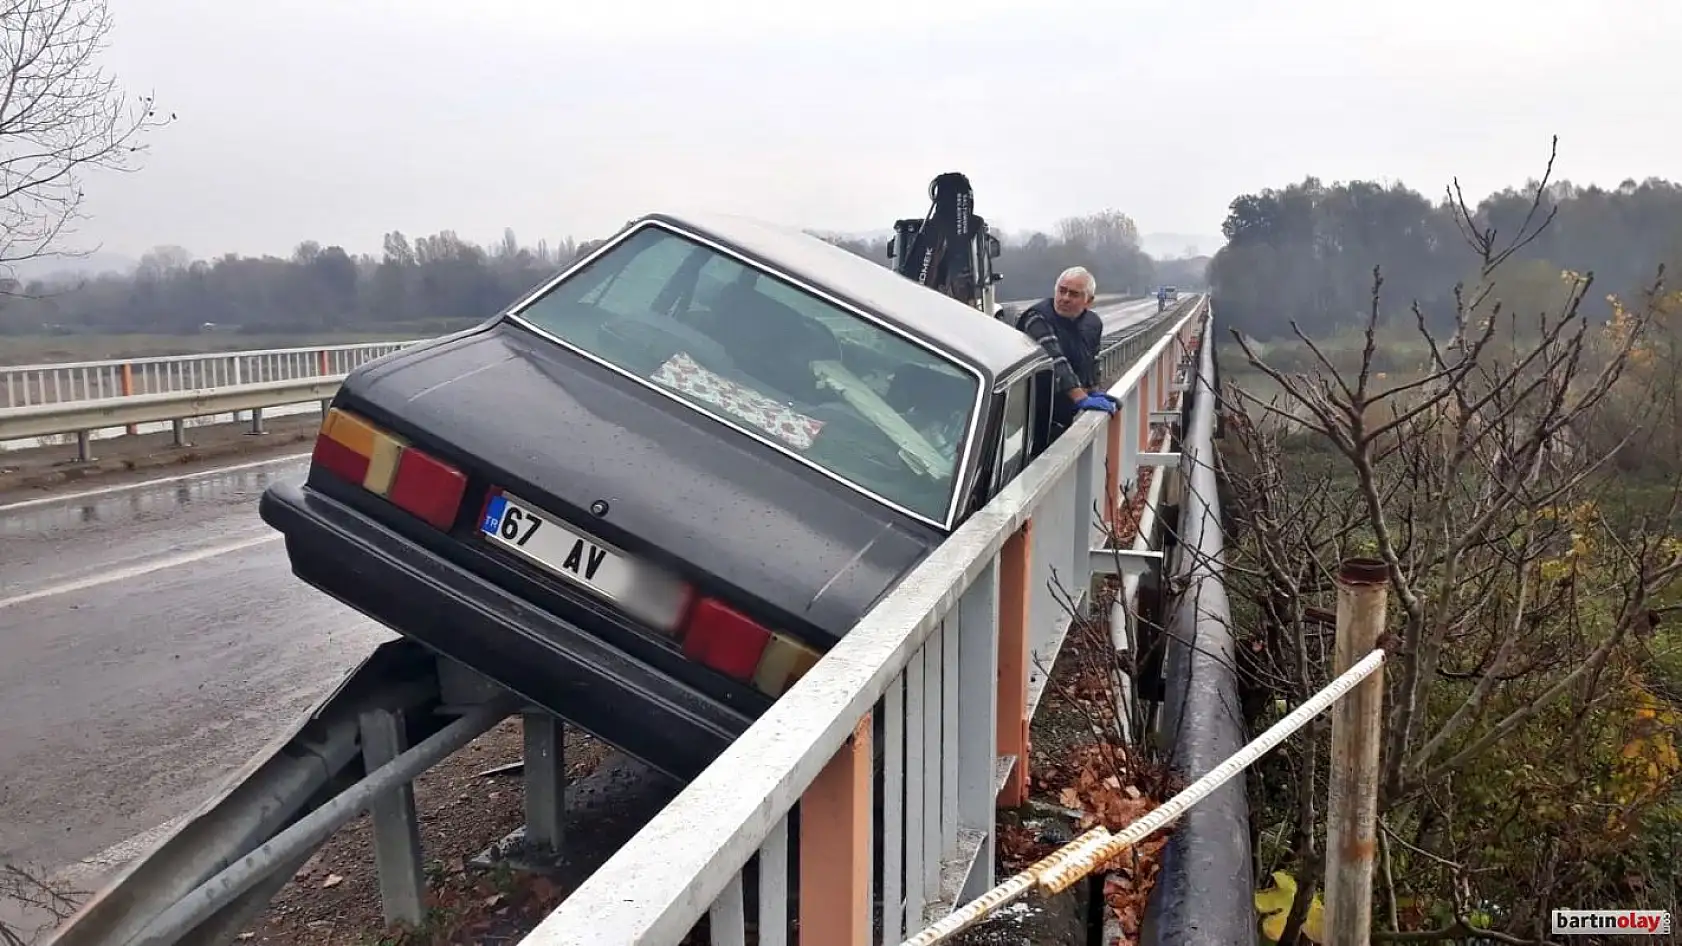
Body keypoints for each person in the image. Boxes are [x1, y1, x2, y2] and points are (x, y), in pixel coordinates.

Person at [1014, 266, 1117, 436]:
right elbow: (1055, 358)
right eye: (1062, 291)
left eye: (1074, 294)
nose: (1065, 298)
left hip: (1066, 413)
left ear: (1089, 301)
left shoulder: (1093, 323)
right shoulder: (1037, 318)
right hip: (1032, 414)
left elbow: (1092, 360)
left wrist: (1094, 390)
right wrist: (1080, 397)